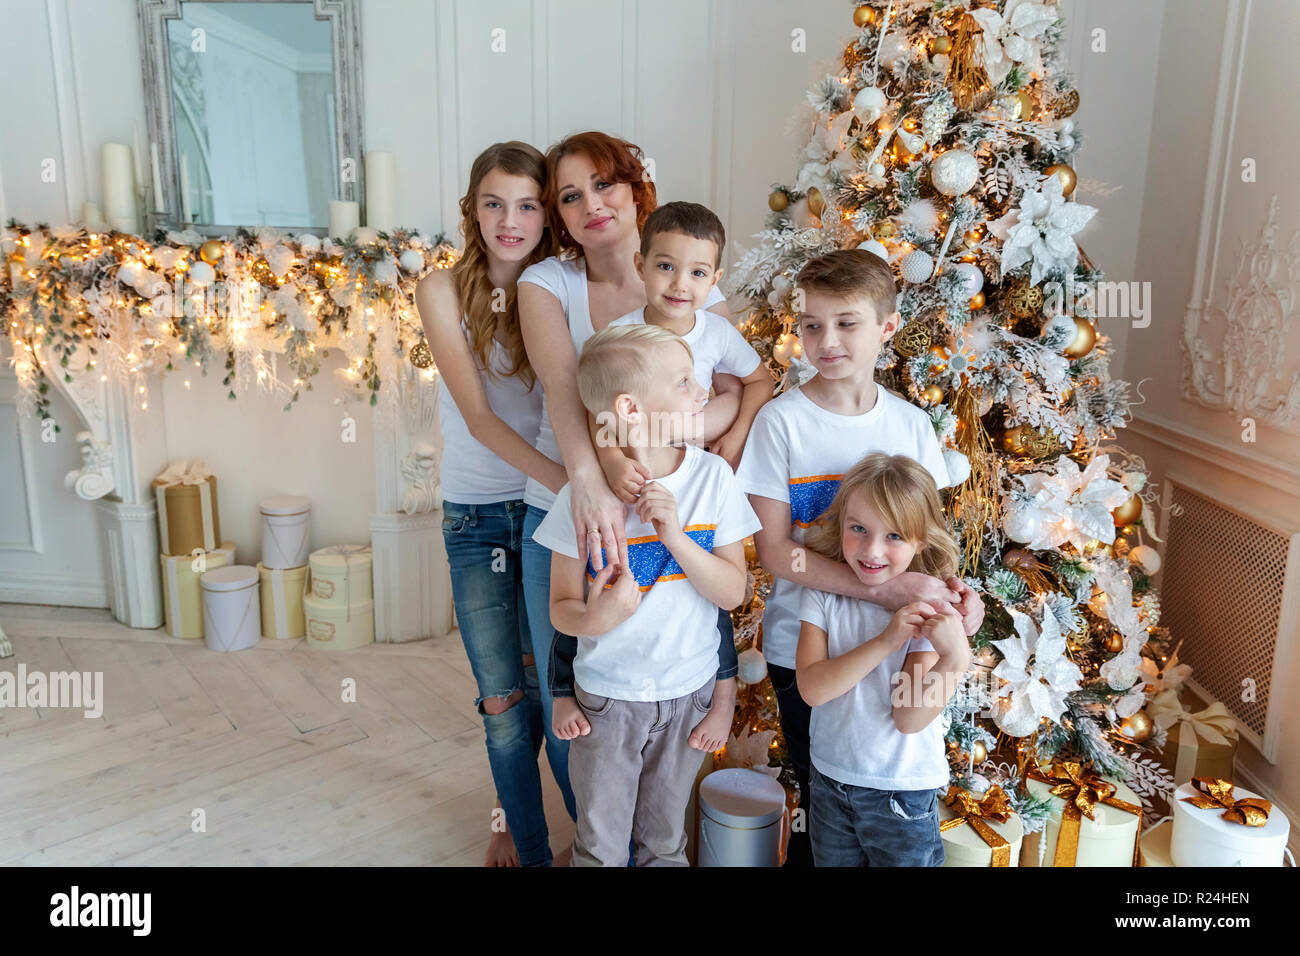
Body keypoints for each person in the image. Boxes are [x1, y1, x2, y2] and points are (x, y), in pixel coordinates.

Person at [735, 248, 985, 866]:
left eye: (847, 323)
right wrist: (883, 591)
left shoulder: (911, 426)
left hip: (906, 649)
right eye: (812, 324)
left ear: (887, 328)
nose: (827, 341)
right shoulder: (780, 423)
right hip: (808, 648)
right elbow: (773, 552)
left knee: (890, 795)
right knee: (827, 800)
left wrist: (953, 591)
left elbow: (922, 541)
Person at [516, 131, 732, 791]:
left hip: (669, 492)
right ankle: (594, 837)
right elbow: (565, 393)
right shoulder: (546, 282)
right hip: (573, 494)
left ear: (635, 189)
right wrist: (595, 474)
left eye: (604, 184)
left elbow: (730, 390)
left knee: (682, 627)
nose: (592, 205)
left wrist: (700, 451)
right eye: (570, 196)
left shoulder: (689, 284)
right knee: (577, 667)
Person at [532, 324, 761, 865]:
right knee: (600, 847)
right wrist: (598, 617)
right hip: (608, 703)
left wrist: (676, 537)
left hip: (689, 697)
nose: (702, 391)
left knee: (664, 842)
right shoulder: (580, 498)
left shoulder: (714, 480)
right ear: (630, 408)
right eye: (684, 381)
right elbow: (561, 611)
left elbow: (733, 593)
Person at [549, 200, 770, 750]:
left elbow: (760, 382)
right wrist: (613, 461)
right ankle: (576, 686)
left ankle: (716, 695)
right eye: (666, 266)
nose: (680, 284)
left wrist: (733, 435)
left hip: (693, 473)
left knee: (699, 590)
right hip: (638, 467)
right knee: (605, 567)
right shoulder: (621, 333)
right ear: (642, 263)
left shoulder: (716, 333)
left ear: (714, 280)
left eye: (698, 273)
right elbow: (593, 407)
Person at [413, 141, 568, 867]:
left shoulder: (558, 285)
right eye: (494, 203)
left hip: (542, 516)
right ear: (472, 210)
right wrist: (574, 484)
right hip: (476, 516)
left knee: (557, 693)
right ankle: (526, 842)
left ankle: (593, 844)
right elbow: (478, 418)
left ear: (547, 212)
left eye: (528, 204)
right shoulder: (440, 291)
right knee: (503, 703)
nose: (511, 220)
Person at [796, 453, 971, 866]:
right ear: (841, 525)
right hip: (829, 781)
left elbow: (909, 717)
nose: (872, 550)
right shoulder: (822, 595)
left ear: (921, 541)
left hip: (900, 794)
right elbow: (813, 688)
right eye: (858, 529)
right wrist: (886, 640)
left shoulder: (928, 607)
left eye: (894, 536)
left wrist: (956, 657)